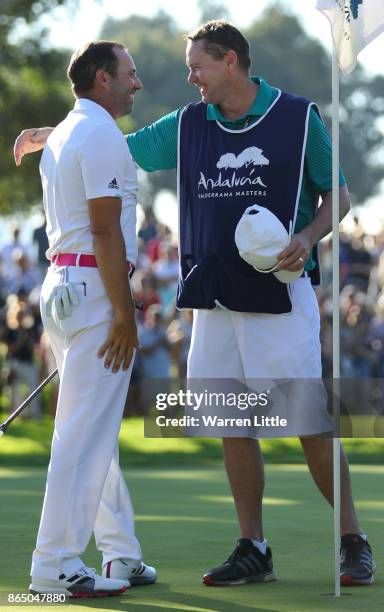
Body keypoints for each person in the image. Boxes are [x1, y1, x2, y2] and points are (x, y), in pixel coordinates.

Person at [14, 21, 375, 588]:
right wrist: (55, 131)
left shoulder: (298, 117)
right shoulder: (187, 122)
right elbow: (112, 145)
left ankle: (352, 539)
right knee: (234, 423)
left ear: (230, 61)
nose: (190, 78)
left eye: (197, 66)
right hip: (211, 296)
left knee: (307, 418)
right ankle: (253, 546)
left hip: (280, 293)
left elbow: (340, 193)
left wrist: (308, 237)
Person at [15, 41, 156, 597]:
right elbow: (104, 233)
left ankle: (119, 554)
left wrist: (41, 134)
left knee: (93, 429)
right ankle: (55, 562)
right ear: (103, 79)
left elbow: (75, 143)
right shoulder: (97, 134)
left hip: (65, 287)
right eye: (131, 72)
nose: (137, 83)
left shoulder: (76, 128)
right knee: (83, 433)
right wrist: (124, 313)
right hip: (94, 289)